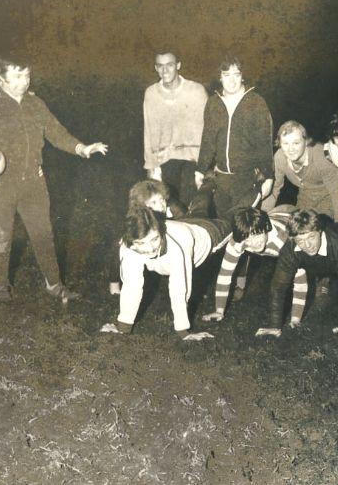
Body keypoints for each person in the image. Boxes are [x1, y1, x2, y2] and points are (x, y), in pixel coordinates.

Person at [0, 55, 108, 302]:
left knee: (43, 234)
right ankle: (0, 288)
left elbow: (56, 133)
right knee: (0, 236)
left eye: (27, 75)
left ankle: (54, 285)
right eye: (18, 76)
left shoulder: (35, 104)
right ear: (1, 78)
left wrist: (81, 148)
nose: (25, 81)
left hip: (34, 183)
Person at [100, 192, 231, 341]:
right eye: (141, 243)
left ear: (161, 231)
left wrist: (184, 332)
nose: (150, 248)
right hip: (185, 221)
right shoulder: (128, 246)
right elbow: (132, 286)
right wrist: (123, 328)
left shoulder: (178, 244)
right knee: (199, 206)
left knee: (234, 216)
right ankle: (208, 184)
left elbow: (180, 287)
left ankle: (215, 185)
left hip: (208, 232)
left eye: (154, 239)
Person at [201, 205, 309, 337]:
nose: (253, 243)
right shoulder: (238, 240)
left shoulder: (284, 240)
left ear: (266, 228)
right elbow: (225, 275)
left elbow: (300, 281)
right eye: (247, 238)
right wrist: (219, 310)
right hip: (275, 213)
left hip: (290, 213)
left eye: (257, 235)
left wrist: (295, 319)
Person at [262, 209, 338, 339]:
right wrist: (274, 325)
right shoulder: (290, 249)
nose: (308, 245)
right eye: (301, 241)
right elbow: (279, 286)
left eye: (311, 237)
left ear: (320, 232)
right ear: (293, 239)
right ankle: (324, 280)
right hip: (324, 261)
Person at [197, 56, 273, 217]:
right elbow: (208, 139)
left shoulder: (256, 102)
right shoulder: (213, 103)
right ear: (220, 77)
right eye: (226, 75)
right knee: (223, 225)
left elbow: (264, 142)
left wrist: (268, 176)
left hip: (247, 179)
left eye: (236, 74)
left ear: (242, 76)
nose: (232, 81)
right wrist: (200, 170)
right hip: (221, 178)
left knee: (244, 227)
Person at [143, 50, 208, 205]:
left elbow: (209, 130)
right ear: (155, 68)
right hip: (165, 161)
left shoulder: (196, 91)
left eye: (169, 65)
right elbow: (148, 131)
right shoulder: (151, 94)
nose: (164, 71)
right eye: (160, 66)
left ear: (178, 65)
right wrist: (151, 166)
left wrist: (204, 167)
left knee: (189, 211)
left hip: (192, 161)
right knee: (167, 210)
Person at [263, 120, 338, 221]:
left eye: (296, 143)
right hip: (304, 201)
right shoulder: (280, 157)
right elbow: (274, 189)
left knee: (314, 227)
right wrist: (262, 217)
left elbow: (336, 191)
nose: (290, 149)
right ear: (279, 143)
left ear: (306, 141)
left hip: (328, 200)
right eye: (285, 143)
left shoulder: (319, 156)